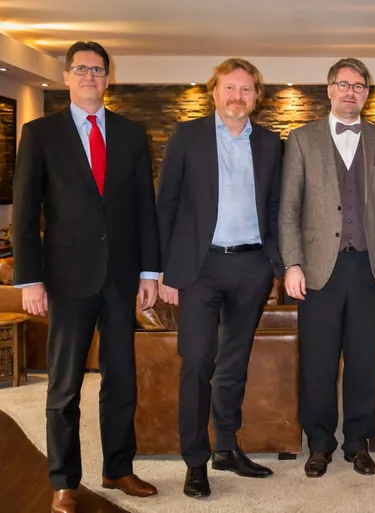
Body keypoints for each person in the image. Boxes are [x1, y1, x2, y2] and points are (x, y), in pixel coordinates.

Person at [12, 40, 160, 513]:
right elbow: (24, 213)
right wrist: (28, 279)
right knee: (64, 385)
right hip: (66, 278)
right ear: (66, 77)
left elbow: (145, 208)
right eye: (81, 69)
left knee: (121, 380)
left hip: (120, 277)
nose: (90, 76)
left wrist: (150, 271)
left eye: (97, 70)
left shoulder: (131, 134)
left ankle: (118, 468)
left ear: (108, 78)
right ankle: (63, 481)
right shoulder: (40, 134)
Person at [155, 58, 284, 498]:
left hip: (251, 266)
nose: (237, 96)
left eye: (246, 89)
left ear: (256, 97)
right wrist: (164, 270)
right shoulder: (187, 136)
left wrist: (277, 265)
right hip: (199, 268)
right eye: (229, 87)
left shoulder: (269, 142)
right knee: (196, 362)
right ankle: (196, 461)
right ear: (214, 91)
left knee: (234, 361)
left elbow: (275, 209)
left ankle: (226, 447)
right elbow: (166, 205)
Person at [280, 57, 375, 478]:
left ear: (367, 93)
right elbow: (289, 208)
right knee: (317, 360)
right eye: (344, 84)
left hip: (368, 267)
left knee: (365, 359)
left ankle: (357, 442)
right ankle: (319, 443)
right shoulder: (301, 139)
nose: (351, 92)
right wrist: (292, 263)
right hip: (318, 269)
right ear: (330, 89)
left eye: (359, 86)